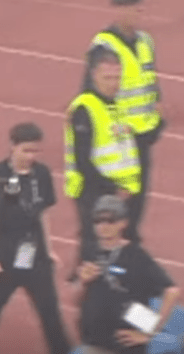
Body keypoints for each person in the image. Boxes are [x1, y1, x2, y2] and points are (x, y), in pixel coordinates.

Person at [0, 122, 71, 354]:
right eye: (26, 150)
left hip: (36, 259)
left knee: (52, 318)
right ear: (12, 147)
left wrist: (49, 248)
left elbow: (42, 213)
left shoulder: (42, 174)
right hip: (2, 261)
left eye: (35, 151)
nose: (31, 156)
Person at [81, 0, 164, 246]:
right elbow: (91, 93)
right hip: (118, 138)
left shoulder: (146, 42)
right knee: (111, 205)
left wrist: (157, 121)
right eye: (126, 6)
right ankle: (97, 257)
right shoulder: (104, 45)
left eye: (136, 5)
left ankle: (129, 253)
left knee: (136, 203)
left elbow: (149, 81)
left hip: (142, 136)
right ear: (116, 10)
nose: (133, 11)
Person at [65, 47, 142, 274]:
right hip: (93, 189)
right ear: (94, 75)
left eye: (118, 77)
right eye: (108, 77)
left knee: (109, 241)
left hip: (116, 190)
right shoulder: (85, 109)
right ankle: (88, 288)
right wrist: (111, 189)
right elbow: (82, 160)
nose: (114, 83)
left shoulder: (116, 105)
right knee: (94, 241)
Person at [73, 195, 182, 354]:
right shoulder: (90, 251)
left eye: (110, 220)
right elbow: (78, 297)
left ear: (123, 223)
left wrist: (149, 332)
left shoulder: (136, 256)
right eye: (98, 220)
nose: (104, 225)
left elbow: (172, 291)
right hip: (94, 342)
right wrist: (82, 282)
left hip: (123, 346)